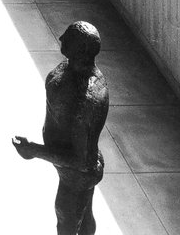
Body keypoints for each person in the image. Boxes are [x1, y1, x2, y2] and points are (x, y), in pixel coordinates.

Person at [13, 21, 109, 235]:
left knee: (67, 221)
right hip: (74, 167)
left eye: (69, 37)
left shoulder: (88, 99)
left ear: (82, 49)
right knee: (83, 216)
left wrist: (34, 150)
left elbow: (81, 161)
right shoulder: (71, 66)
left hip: (77, 174)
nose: (61, 38)